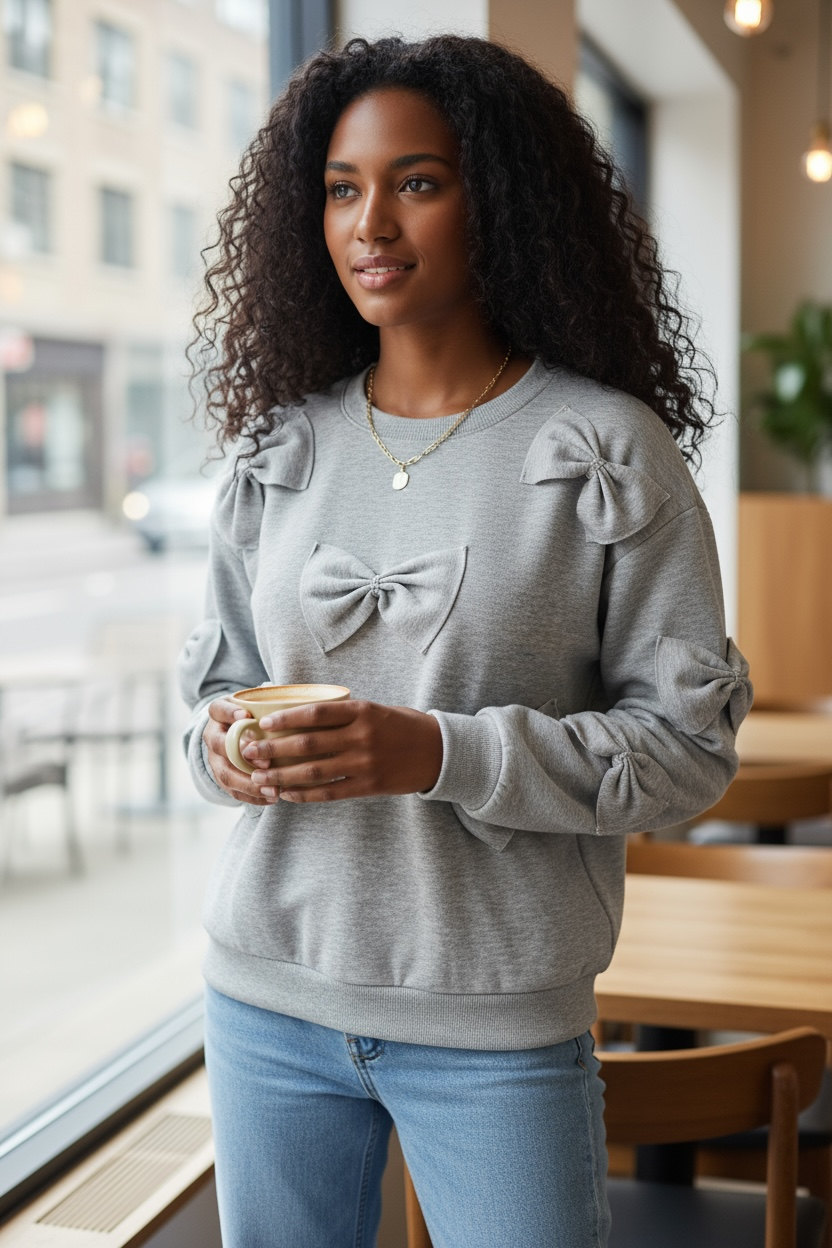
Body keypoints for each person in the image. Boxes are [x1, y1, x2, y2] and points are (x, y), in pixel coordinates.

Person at [179, 34, 752, 1248]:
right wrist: (223, 744)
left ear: (501, 198)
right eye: (341, 187)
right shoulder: (277, 451)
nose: (369, 222)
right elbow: (216, 691)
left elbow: (687, 753)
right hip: (264, 997)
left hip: (494, 1025)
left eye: (418, 182)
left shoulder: (607, 452)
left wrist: (436, 753)